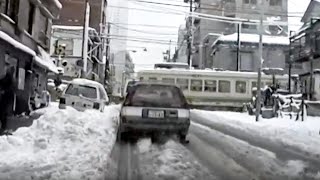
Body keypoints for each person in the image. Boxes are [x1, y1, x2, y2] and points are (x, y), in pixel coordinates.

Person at [0, 66, 15, 135]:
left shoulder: (9, 79)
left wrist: (4, 91)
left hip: (5, 99)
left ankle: (3, 128)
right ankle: (3, 127)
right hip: (5, 99)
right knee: (3, 114)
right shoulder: (10, 79)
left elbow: (8, 88)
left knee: (3, 114)